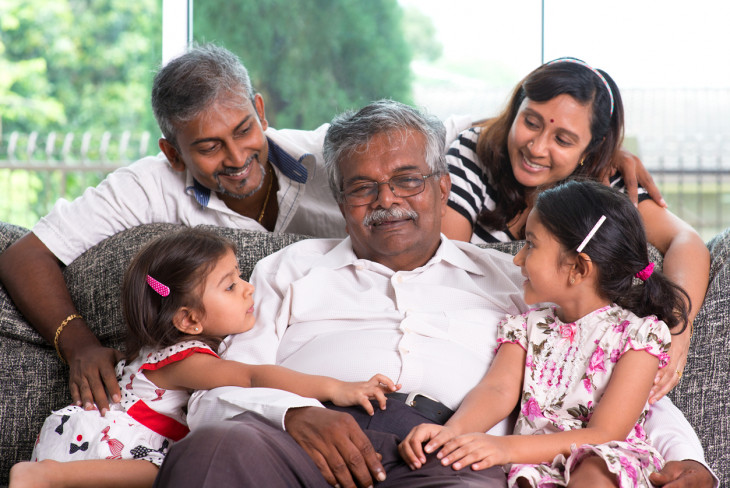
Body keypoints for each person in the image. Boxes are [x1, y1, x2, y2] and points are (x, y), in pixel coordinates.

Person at [153, 100, 715, 488]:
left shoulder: (513, 280)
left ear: (444, 187)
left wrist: (688, 459)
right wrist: (294, 414)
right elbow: (213, 391)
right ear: (341, 198)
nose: (386, 200)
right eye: (362, 187)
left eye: (407, 180)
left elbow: (606, 377)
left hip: (449, 455)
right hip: (301, 443)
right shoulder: (286, 270)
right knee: (211, 452)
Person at [8, 228, 398, 488]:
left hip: (89, 439)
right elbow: (252, 378)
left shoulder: (157, 349)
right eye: (230, 286)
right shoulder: (187, 360)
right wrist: (338, 387)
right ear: (190, 320)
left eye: (241, 276)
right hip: (105, 450)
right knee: (162, 472)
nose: (249, 290)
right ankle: (47, 477)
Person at [443, 57, 710, 404]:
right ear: (515, 109)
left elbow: (686, 241)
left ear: (593, 148)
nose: (537, 148)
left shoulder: (605, 186)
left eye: (564, 140)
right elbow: (446, 263)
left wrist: (679, 328)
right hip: (478, 347)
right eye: (530, 122)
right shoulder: (472, 153)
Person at [400, 179, 691, 487]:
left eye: (531, 245)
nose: (517, 258)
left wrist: (505, 448)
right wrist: (452, 431)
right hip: (535, 464)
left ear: (578, 267)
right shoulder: (526, 327)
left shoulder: (639, 336)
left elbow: (605, 435)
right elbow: (496, 391)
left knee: (594, 470)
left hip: (605, 461)